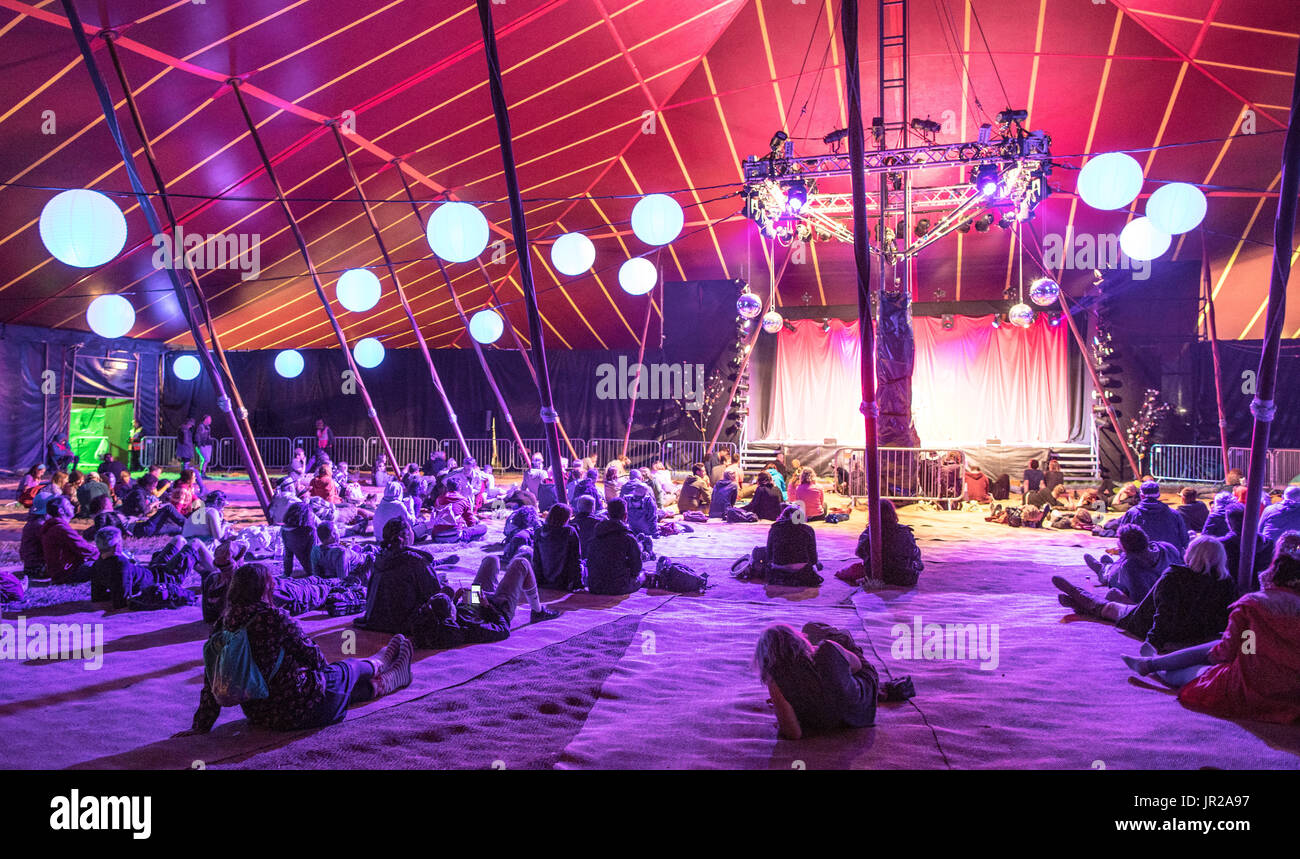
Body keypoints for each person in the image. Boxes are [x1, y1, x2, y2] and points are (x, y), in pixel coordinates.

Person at [180, 562, 414, 736]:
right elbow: (314, 658)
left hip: (261, 714)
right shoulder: (273, 618)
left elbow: (213, 680)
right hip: (298, 707)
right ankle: (380, 663)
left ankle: (391, 679)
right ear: (265, 588)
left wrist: (201, 725)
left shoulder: (222, 625)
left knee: (339, 691)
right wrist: (322, 675)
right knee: (344, 669)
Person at [1119, 550, 1300, 723]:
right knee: (1222, 646)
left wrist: (1218, 656)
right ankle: (1150, 663)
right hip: (1293, 692)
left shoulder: (1252, 606)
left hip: (1251, 685)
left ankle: (1152, 664)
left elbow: (1231, 651)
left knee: (1188, 674)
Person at [1053, 535, 1238, 652]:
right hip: (1194, 634)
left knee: (1112, 609)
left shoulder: (1176, 575)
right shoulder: (1225, 582)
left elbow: (1164, 612)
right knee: (1117, 605)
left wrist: (1153, 643)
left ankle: (1078, 594)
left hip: (1148, 622)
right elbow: (1225, 618)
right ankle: (1078, 601)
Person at [752, 623, 878, 740]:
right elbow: (857, 666)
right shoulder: (828, 647)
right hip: (862, 711)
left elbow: (793, 733)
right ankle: (842, 640)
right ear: (798, 641)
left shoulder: (776, 681)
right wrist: (831, 664)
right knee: (813, 628)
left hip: (833, 722)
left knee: (818, 638)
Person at [356, 519, 448, 634]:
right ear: (406, 536)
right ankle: (474, 604)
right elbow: (434, 594)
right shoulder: (415, 560)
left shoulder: (380, 558)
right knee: (451, 595)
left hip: (375, 620)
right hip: (403, 623)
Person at [1085, 524, 1182, 602]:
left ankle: (1103, 570)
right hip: (1172, 595)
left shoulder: (1130, 567)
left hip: (1151, 598)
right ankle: (1107, 565)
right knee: (1118, 563)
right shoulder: (1167, 547)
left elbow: (1139, 601)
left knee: (1112, 577)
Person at [854, 499, 923, 587]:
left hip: (877, 576)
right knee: (916, 558)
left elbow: (859, 552)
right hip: (905, 577)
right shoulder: (904, 532)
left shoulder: (869, 532)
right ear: (893, 513)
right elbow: (913, 553)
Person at [584, 498, 643, 595]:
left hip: (594, 586)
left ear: (608, 515)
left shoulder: (597, 533)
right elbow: (636, 567)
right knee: (642, 575)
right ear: (625, 516)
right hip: (618, 587)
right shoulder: (627, 536)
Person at [89, 527, 155, 609]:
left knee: (158, 555)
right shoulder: (121, 564)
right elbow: (122, 601)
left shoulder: (97, 564)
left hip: (148, 571)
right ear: (117, 545)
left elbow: (97, 597)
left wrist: (113, 593)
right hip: (159, 576)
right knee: (176, 540)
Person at [1113, 481, 1189, 552]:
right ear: (1158, 495)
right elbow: (1185, 540)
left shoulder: (1132, 514)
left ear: (1141, 496)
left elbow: (1121, 540)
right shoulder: (1174, 514)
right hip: (1169, 559)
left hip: (1141, 560)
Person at [40, 496, 98, 584]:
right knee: (106, 564)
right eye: (68, 504)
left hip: (59, 573)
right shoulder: (61, 529)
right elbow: (84, 548)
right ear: (61, 511)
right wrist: (104, 553)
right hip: (67, 574)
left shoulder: (55, 526)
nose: (72, 507)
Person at [1217, 504, 1273, 588]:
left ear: (1228, 521)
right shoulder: (1268, 543)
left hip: (1231, 589)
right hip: (1259, 587)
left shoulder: (1221, 544)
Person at [532, 503, 583, 590]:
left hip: (543, 579)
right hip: (563, 581)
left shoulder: (539, 532)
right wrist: (577, 583)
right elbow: (575, 558)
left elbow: (536, 559)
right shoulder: (569, 532)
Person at [429, 475, 486, 542]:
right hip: (455, 536)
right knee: (483, 528)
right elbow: (470, 521)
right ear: (460, 488)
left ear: (447, 488)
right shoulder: (463, 500)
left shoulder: (439, 499)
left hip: (437, 536)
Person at [767, 504, 820, 568]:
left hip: (779, 567)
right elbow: (813, 556)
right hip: (802, 568)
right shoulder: (807, 530)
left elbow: (769, 553)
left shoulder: (775, 528)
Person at [619, 469, 659, 536]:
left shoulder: (626, 496)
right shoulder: (648, 500)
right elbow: (653, 517)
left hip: (631, 527)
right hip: (646, 529)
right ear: (640, 477)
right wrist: (655, 533)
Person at [571, 494, 603, 559]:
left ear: (578, 507)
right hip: (594, 559)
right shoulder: (599, 523)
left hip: (576, 558)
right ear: (593, 508)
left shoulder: (571, 524)